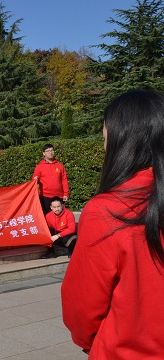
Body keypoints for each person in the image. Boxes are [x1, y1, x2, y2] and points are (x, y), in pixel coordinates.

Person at [61, 90, 164, 359]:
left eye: (105, 138)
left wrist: (92, 343)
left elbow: (81, 308)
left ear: (122, 142)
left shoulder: (106, 210)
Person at [32, 143, 69, 215]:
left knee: (60, 216)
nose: (50, 152)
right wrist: (35, 180)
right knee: (46, 216)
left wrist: (66, 194)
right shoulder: (39, 167)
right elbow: (33, 182)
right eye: (48, 151)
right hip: (45, 197)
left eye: (52, 150)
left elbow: (64, 180)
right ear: (44, 153)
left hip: (59, 196)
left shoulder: (60, 165)